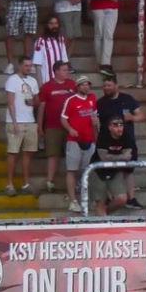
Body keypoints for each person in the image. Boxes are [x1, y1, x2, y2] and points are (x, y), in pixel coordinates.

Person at [36, 61, 77, 194]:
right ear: (56, 71)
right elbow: (41, 108)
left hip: (71, 126)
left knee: (72, 155)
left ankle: (73, 183)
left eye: (67, 70)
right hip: (52, 126)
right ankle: (50, 181)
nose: (66, 72)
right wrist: (40, 126)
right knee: (52, 154)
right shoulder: (46, 87)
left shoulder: (72, 84)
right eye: (64, 70)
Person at [61, 73, 98, 213]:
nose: (86, 87)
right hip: (74, 141)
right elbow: (63, 118)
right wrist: (70, 129)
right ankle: (73, 201)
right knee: (72, 170)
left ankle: (88, 198)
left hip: (89, 139)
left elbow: (94, 116)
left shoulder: (92, 98)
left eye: (88, 84)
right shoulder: (71, 100)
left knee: (88, 171)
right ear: (77, 87)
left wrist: (96, 125)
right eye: (83, 84)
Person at [2, 63, 39, 194]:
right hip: (16, 121)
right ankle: (9, 184)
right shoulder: (12, 80)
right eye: (25, 66)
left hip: (30, 120)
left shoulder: (33, 81)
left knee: (28, 153)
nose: (28, 68)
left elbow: (37, 100)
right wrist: (14, 122)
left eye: (29, 66)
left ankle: (26, 183)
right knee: (12, 153)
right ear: (20, 66)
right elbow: (10, 102)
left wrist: (33, 102)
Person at [92, 114, 139, 214]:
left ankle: (105, 215)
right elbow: (103, 158)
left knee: (122, 199)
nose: (119, 128)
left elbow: (128, 157)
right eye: (115, 125)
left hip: (115, 170)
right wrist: (121, 157)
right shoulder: (103, 136)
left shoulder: (126, 136)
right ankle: (102, 218)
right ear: (109, 127)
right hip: (98, 171)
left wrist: (112, 157)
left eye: (121, 125)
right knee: (101, 201)